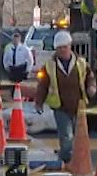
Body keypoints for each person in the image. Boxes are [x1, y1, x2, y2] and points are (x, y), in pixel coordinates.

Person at [34, 30, 93, 168]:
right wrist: (39, 103)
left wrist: (92, 88)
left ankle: (76, 160)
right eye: (59, 48)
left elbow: (89, 78)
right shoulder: (49, 66)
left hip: (79, 106)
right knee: (66, 136)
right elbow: (42, 86)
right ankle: (66, 161)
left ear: (70, 46)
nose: (62, 50)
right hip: (60, 106)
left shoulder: (81, 63)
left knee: (79, 136)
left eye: (64, 47)